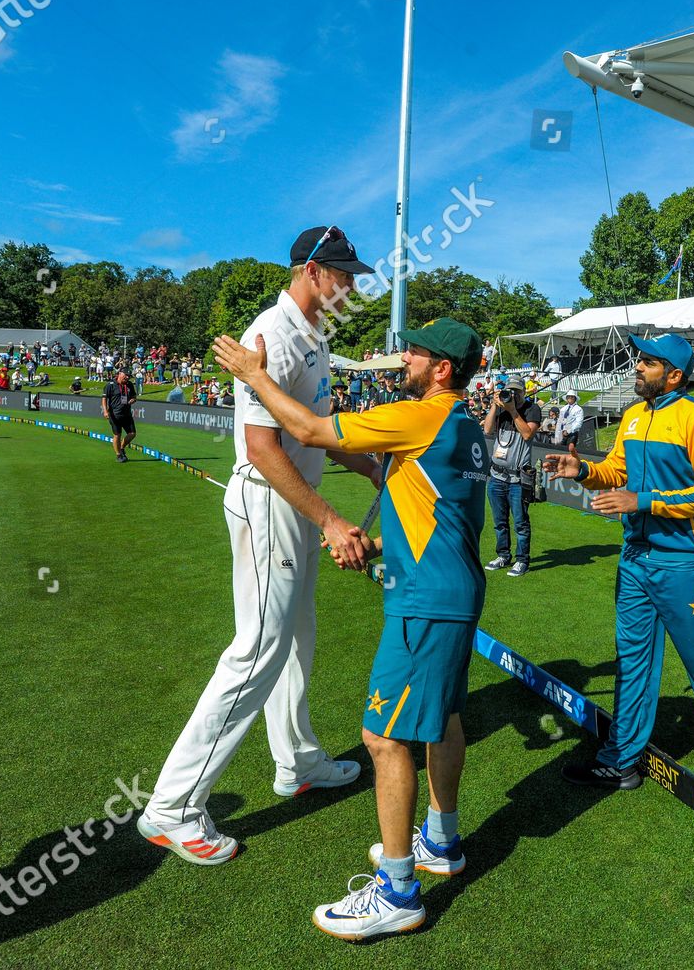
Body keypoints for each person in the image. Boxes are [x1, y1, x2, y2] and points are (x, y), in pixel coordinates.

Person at [213, 315, 487, 942]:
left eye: (414, 355)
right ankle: (440, 842)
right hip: (455, 589)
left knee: (384, 738)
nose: (404, 363)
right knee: (442, 718)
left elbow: (308, 429)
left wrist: (256, 376)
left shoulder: (422, 414)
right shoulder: (465, 423)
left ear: (441, 369)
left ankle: (397, 890)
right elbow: (405, 482)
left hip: (425, 599)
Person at [137, 227, 374, 871]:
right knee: (257, 651)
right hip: (272, 504)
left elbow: (317, 431)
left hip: (293, 505)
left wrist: (375, 470)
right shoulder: (268, 333)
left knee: (297, 638)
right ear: (309, 269)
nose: (350, 285)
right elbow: (265, 450)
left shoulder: (315, 332)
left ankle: (296, 761)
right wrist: (329, 520)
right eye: (342, 273)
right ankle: (172, 806)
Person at [544, 333, 694, 786]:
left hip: (682, 560)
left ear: (674, 375)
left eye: (649, 362)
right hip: (635, 557)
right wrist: (584, 471)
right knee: (631, 658)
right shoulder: (634, 415)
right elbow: (617, 470)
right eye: (640, 359)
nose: (638, 366)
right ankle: (622, 758)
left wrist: (645, 501)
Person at [481, 375, 541, 576]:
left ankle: (522, 560)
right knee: (499, 522)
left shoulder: (532, 409)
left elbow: (527, 434)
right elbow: (487, 429)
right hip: (497, 476)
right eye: (510, 391)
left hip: (518, 479)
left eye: (517, 391)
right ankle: (503, 555)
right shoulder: (501, 410)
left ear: (524, 391)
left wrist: (513, 410)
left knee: (520, 523)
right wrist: (494, 407)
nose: (513, 394)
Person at [102, 369, 139, 463]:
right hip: (114, 415)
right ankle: (118, 455)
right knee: (117, 435)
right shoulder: (110, 385)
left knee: (132, 434)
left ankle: (121, 448)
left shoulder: (129, 384)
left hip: (127, 414)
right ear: (119, 374)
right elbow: (104, 399)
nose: (127, 377)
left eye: (128, 376)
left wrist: (133, 400)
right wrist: (105, 411)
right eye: (125, 375)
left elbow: (134, 396)